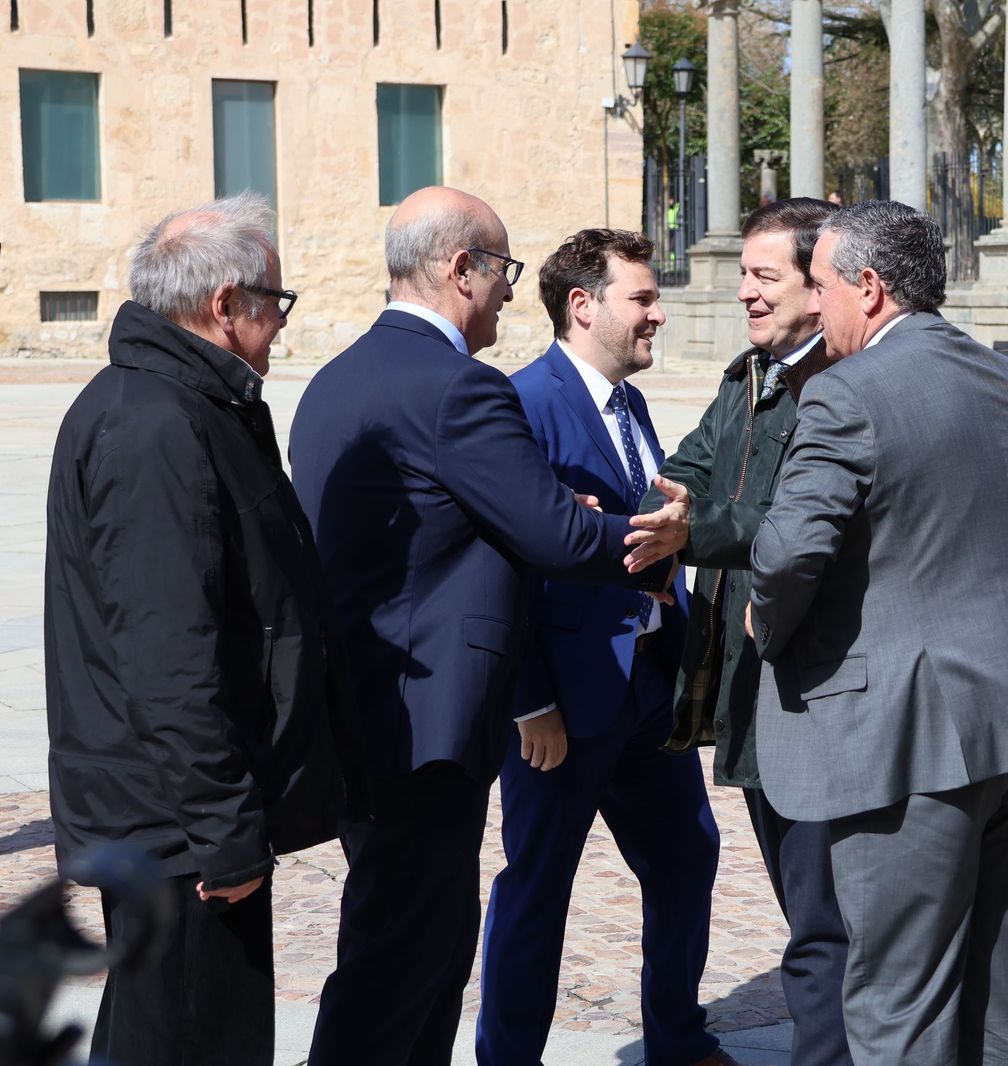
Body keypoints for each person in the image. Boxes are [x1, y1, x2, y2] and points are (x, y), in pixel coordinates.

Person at [289, 186, 672, 1066]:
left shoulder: (336, 378)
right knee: (402, 959)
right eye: (502, 270)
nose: (508, 290)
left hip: (363, 706)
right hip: (429, 723)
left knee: (409, 944)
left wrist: (533, 509)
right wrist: (658, 533)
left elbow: (429, 524)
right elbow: (561, 535)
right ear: (461, 269)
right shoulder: (461, 386)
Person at [746, 201, 1008, 1063]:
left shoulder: (847, 391)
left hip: (909, 738)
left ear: (870, 286)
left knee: (902, 1002)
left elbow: (786, 555)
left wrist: (765, 622)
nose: (813, 307)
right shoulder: (1007, 378)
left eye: (820, 287)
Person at [43, 192, 365, 1066]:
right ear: (224, 305)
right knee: (190, 1039)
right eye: (277, 303)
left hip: (180, 817)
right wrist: (223, 829)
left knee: (166, 1032)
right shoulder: (151, 423)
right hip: (174, 824)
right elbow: (167, 652)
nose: (283, 327)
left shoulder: (193, 403)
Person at [477, 229, 732, 1066]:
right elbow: (506, 566)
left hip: (646, 689)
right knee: (537, 889)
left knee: (687, 856)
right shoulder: (523, 404)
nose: (659, 313)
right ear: (583, 307)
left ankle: (678, 1038)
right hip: (565, 705)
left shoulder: (629, 402)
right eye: (644, 300)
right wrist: (530, 700)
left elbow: (630, 532)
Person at [626, 197, 850, 1066]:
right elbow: (682, 474)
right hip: (747, 687)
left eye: (765, 277)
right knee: (808, 912)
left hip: (811, 693)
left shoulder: (836, 385)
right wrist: (637, 512)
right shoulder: (744, 379)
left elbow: (798, 521)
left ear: (817, 282)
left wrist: (700, 524)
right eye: (743, 277)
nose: (746, 295)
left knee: (827, 927)